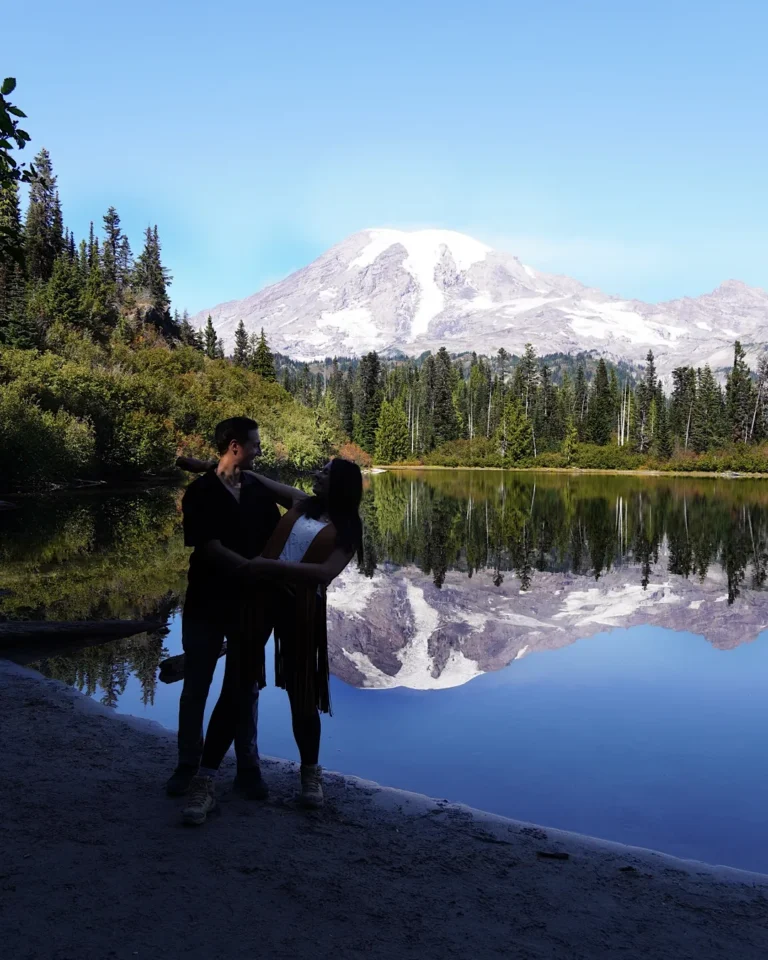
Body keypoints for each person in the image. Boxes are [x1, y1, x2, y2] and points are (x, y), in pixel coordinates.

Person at [180, 457, 363, 825]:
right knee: (236, 687)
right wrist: (208, 465)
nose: (317, 475)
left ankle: (310, 774)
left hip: (301, 608)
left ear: (340, 483)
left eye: (325, 473)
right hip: (261, 599)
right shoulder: (299, 502)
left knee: (303, 691)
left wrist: (269, 566)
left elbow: (326, 573)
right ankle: (205, 781)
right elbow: (252, 478)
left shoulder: (348, 527)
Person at [166, 417, 292, 800]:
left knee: (246, 687)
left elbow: (301, 503)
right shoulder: (199, 494)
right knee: (197, 686)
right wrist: (253, 569)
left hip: (250, 605)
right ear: (236, 445)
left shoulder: (257, 492)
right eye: (255, 444)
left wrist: (252, 477)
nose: (259, 450)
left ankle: (247, 768)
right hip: (207, 600)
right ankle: (189, 765)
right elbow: (208, 547)